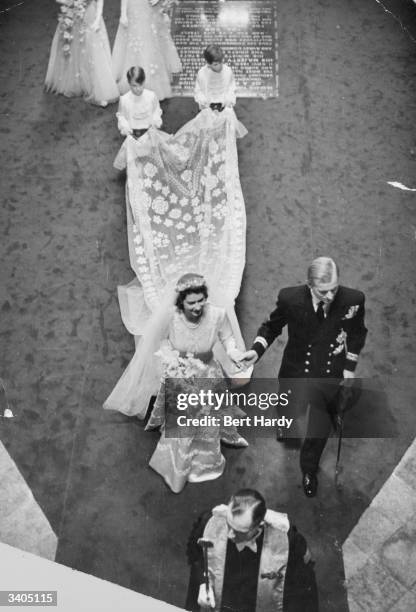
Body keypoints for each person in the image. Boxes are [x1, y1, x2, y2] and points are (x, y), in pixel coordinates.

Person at [241, 257, 368, 498]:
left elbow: (358, 332)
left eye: (334, 289)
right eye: (323, 292)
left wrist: (349, 366)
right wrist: (256, 350)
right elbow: (272, 326)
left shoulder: (354, 300)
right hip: (296, 369)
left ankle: (309, 469)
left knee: (320, 427)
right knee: (288, 405)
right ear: (310, 285)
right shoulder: (290, 298)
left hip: (330, 373)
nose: (330, 296)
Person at [144, 273, 249, 493]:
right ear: (181, 301)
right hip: (180, 375)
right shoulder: (170, 318)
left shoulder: (218, 315)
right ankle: (178, 467)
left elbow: (227, 337)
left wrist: (233, 352)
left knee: (207, 419)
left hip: (208, 374)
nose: (198, 306)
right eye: (191, 302)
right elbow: (160, 340)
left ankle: (205, 458)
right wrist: (171, 362)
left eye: (201, 300)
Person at [185, 488, 319, 612]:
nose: (229, 534)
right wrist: (202, 584)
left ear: (259, 527)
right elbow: (195, 555)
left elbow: (301, 588)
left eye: (238, 531)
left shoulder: (287, 542)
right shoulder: (210, 523)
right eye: (229, 524)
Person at [45, 0, 119, 107]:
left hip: (90, 15)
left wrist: (98, 19)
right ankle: (77, 82)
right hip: (72, 15)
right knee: (73, 47)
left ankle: (97, 90)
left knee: (92, 50)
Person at [112, 0, 182, 100]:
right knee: (136, 39)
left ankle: (152, 80)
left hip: (150, 7)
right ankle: (136, 78)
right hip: (133, 7)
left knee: (151, 39)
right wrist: (123, 13)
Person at [116, 66, 162, 139]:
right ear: (129, 83)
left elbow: (156, 110)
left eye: (141, 85)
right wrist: (125, 127)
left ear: (144, 81)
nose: (138, 89)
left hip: (150, 130)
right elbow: (121, 116)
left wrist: (155, 121)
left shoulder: (151, 96)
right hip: (133, 132)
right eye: (134, 85)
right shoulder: (124, 99)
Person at [194, 45, 237, 112]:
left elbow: (231, 87)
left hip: (224, 106)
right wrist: (203, 101)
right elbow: (198, 90)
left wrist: (229, 99)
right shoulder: (202, 73)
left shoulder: (227, 70)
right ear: (208, 64)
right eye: (216, 64)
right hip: (207, 106)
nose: (219, 66)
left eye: (220, 62)